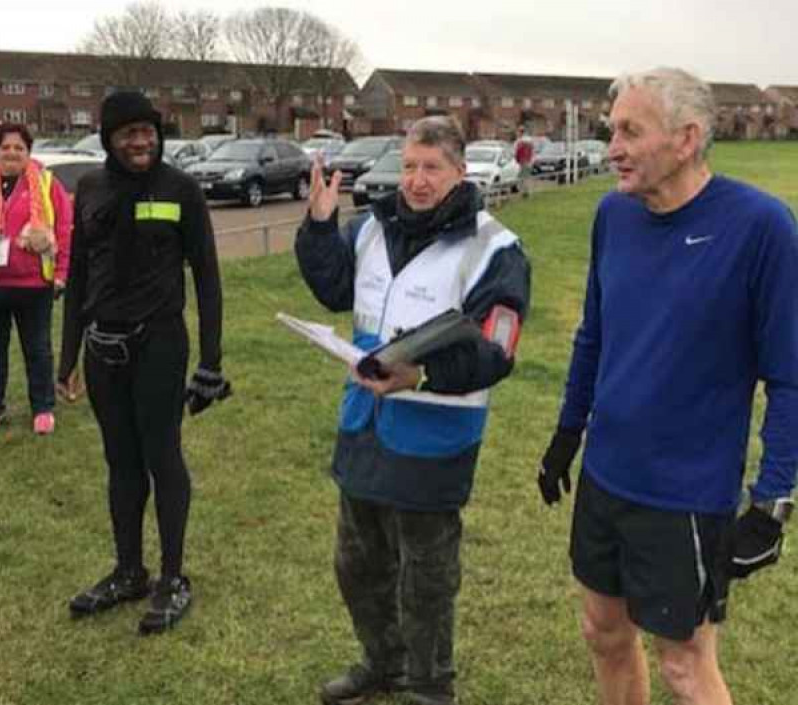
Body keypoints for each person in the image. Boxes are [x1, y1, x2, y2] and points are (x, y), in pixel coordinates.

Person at [537, 67, 798, 705]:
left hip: (686, 493)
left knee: (685, 664)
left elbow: (791, 376)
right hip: (606, 476)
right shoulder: (613, 215)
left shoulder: (761, 227)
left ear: (686, 139)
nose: (612, 147)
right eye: (611, 130)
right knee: (602, 631)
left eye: (630, 131)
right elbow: (594, 334)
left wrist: (772, 504)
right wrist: (569, 432)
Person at [295, 116, 530, 705]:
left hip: (435, 438)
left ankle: (429, 688)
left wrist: (422, 373)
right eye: (409, 167)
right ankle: (382, 664)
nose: (417, 181)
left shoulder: (493, 247)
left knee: (424, 580)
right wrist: (320, 226)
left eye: (431, 168)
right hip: (365, 427)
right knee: (356, 565)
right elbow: (333, 288)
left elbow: (495, 349)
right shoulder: (373, 226)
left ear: (458, 171)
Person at [57, 91, 229, 634]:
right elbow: (79, 274)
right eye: (129, 133)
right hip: (103, 348)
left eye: (148, 131)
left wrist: (210, 362)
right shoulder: (88, 189)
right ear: (109, 137)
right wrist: (67, 355)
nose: (141, 141)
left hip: (158, 344)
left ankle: (172, 578)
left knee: (162, 456)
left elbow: (206, 276)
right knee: (120, 462)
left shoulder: (181, 189)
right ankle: (130, 571)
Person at [0, 123, 73, 436]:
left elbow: (64, 230)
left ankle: (43, 407)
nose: (11, 153)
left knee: (37, 349)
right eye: (5, 147)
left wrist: (62, 274)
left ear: (28, 152)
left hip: (34, 285)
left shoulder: (48, 183)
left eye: (18, 148)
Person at [513, 125, 534, 197]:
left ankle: (524, 192)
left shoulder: (520, 141)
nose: (517, 133)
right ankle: (526, 191)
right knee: (526, 177)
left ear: (520, 132)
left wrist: (517, 159)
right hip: (528, 161)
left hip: (523, 161)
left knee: (522, 177)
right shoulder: (529, 140)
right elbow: (532, 151)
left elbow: (517, 152)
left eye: (518, 132)